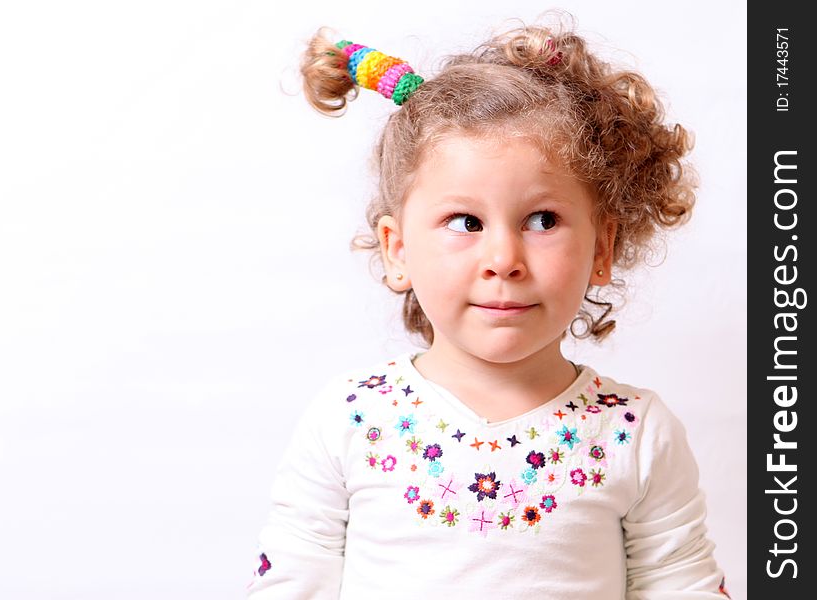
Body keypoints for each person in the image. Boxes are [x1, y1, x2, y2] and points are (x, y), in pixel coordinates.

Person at [247, 15, 731, 599]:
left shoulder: (636, 434)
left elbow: (682, 585)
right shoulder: (350, 419)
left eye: (542, 220)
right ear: (397, 250)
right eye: (465, 222)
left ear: (602, 248)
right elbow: (292, 582)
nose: (504, 258)